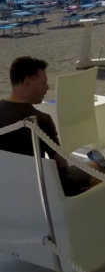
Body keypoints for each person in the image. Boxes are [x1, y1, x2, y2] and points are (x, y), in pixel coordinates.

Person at [0, 57, 98, 196]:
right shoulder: (39, 120)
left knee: (92, 166)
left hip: (9, 193)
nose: (47, 87)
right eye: (44, 82)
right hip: (43, 193)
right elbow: (61, 166)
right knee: (100, 170)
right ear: (27, 82)